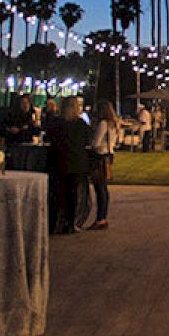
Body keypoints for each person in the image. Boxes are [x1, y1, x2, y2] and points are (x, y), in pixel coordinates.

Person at [47, 96, 91, 234]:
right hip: (76, 162)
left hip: (59, 161)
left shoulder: (57, 123)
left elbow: (50, 139)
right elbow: (87, 140)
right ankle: (70, 223)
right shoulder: (80, 124)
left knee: (57, 194)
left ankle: (54, 224)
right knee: (72, 195)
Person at [88, 101, 119, 230]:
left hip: (100, 155)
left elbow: (96, 142)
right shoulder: (114, 124)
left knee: (99, 188)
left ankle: (100, 218)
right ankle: (103, 216)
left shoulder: (103, 124)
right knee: (103, 188)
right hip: (109, 154)